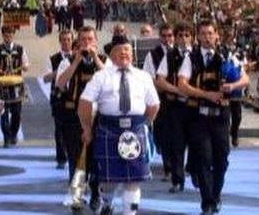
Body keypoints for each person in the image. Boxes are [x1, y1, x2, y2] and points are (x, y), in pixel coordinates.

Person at [78, 35, 160, 214]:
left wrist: (144, 124)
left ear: (133, 53)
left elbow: (154, 105)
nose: (124, 53)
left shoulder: (143, 77)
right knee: (108, 182)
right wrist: (86, 128)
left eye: (127, 50)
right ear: (112, 55)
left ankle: (129, 213)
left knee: (134, 180)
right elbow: (84, 102)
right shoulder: (101, 77)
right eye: (119, 50)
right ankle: (107, 203)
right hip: (109, 130)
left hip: (136, 130)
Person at [178, 20, 249, 215]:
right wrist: (205, 94)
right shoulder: (190, 58)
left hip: (221, 117)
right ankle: (207, 201)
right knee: (203, 158)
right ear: (198, 37)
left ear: (216, 35)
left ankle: (216, 194)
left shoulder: (227, 56)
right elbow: (182, 85)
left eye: (211, 33)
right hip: (199, 116)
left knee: (222, 159)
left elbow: (245, 79)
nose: (207, 37)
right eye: (203, 33)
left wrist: (232, 87)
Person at [56, 26, 108, 212]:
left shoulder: (103, 60)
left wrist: (94, 58)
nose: (86, 43)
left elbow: (110, 81)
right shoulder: (68, 60)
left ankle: (95, 192)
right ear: (77, 42)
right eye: (83, 40)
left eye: (90, 39)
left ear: (95, 41)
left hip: (99, 117)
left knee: (97, 156)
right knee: (76, 157)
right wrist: (76, 61)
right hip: (74, 116)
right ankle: (77, 196)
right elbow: (60, 84)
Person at [156, 22, 194, 192]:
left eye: (187, 35)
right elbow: (160, 79)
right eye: (180, 36)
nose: (184, 39)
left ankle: (194, 170)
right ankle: (177, 179)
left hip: (196, 106)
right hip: (176, 106)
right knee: (176, 144)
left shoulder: (198, 55)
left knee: (197, 143)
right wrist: (177, 90)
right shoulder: (170, 56)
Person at [143, 23, 174, 181]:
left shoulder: (181, 54)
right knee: (164, 133)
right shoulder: (152, 55)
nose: (167, 39)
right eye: (164, 36)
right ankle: (168, 165)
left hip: (180, 100)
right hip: (161, 99)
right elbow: (148, 77)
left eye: (170, 36)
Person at [0, 26, 29, 148]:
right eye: (6, 35)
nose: (8, 37)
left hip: (16, 84)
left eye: (11, 34)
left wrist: (25, 66)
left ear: (13, 35)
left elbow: (26, 64)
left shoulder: (20, 49)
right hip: (2, 85)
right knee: (4, 112)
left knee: (16, 112)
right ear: (3, 35)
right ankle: (6, 137)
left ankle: (13, 133)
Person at [43, 30, 73, 170]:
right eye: (63, 40)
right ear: (60, 41)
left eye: (68, 39)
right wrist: (59, 72)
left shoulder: (78, 57)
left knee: (73, 128)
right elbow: (45, 78)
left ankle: (73, 153)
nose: (66, 43)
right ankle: (61, 158)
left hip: (74, 97)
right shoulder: (53, 59)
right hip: (58, 97)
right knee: (59, 128)